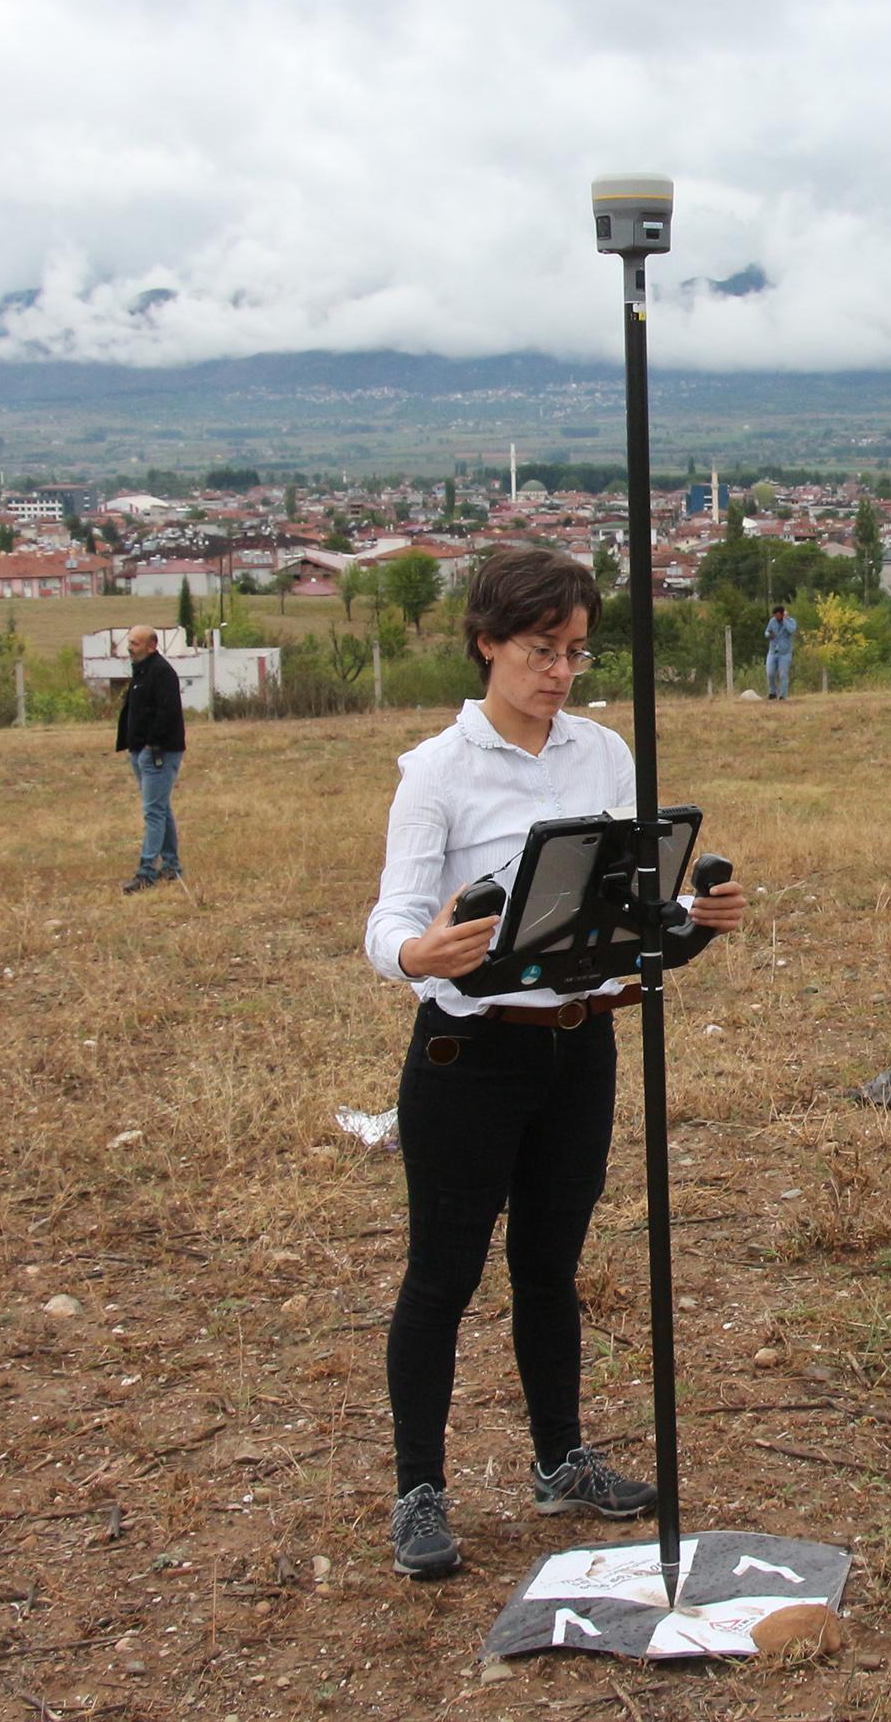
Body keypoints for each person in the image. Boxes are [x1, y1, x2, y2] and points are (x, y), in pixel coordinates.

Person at [361, 548, 750, 1581]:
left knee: (550, 1263)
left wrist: (691, 917)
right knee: (442, 1273)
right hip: (466, 1054)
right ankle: (418, 1491)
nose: (560, 671)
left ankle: (557, 1457)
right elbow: (393, 919)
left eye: (576, 651)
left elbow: (634, 902)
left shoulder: (604, 754)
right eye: (541, 649)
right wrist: (415, 953)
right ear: (487, 642)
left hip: (580, 1044)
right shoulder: (435, 771)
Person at [114, 624, 186, 892]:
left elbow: (167, 715)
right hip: (141, 751)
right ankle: (171, 865)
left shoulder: (162, 673)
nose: (129, 648)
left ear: (151, 646)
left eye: (135, 643)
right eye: (129, 642)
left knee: (153, 811)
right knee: (161, 808)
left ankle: (146, 872)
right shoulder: (142, 671)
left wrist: (150, 746)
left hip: (158, 753)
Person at [763, 601, 798, 700]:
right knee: (770, 673)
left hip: (785, 653)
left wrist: (785, 620)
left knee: (783, 674)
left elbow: (791, 630)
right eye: (775, 615)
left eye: (779, 615)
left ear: (782, 614)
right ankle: (772, 692)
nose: (777, 617)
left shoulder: (791, 621)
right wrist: (769, 635)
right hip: (773, 651)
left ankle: (783, 695)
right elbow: (766, 631)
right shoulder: (772, 621)